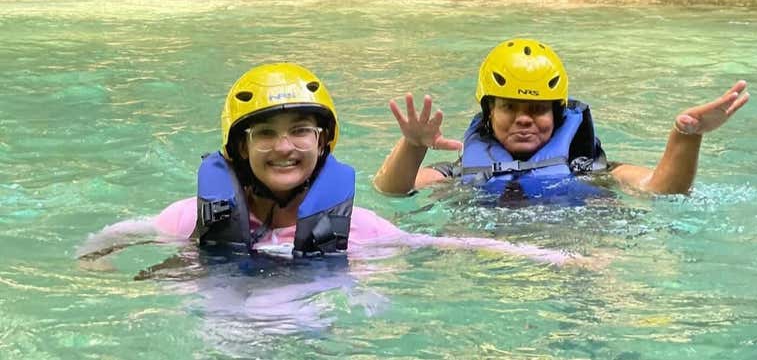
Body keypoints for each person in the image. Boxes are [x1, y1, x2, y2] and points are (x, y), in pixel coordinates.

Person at [78, 62, 582, 266]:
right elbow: (121, 232)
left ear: (322, 143)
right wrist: (90, 260)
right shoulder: (191, 219)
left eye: (301, 131)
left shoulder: (359, 227)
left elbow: (447, 241)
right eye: (265, 134)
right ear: (238, 149)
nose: (284, 147)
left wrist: (562, 258)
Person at [373, 38, 749, 198]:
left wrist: (686, 136)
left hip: (572, 259)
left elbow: (660, 189)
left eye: (537, 109)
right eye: (509, 108)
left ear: (558, 114)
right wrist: (412, 145)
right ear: (488, 112)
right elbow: (393, 189)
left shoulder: (589, 168)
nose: (524, 119)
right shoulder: (460, 172)